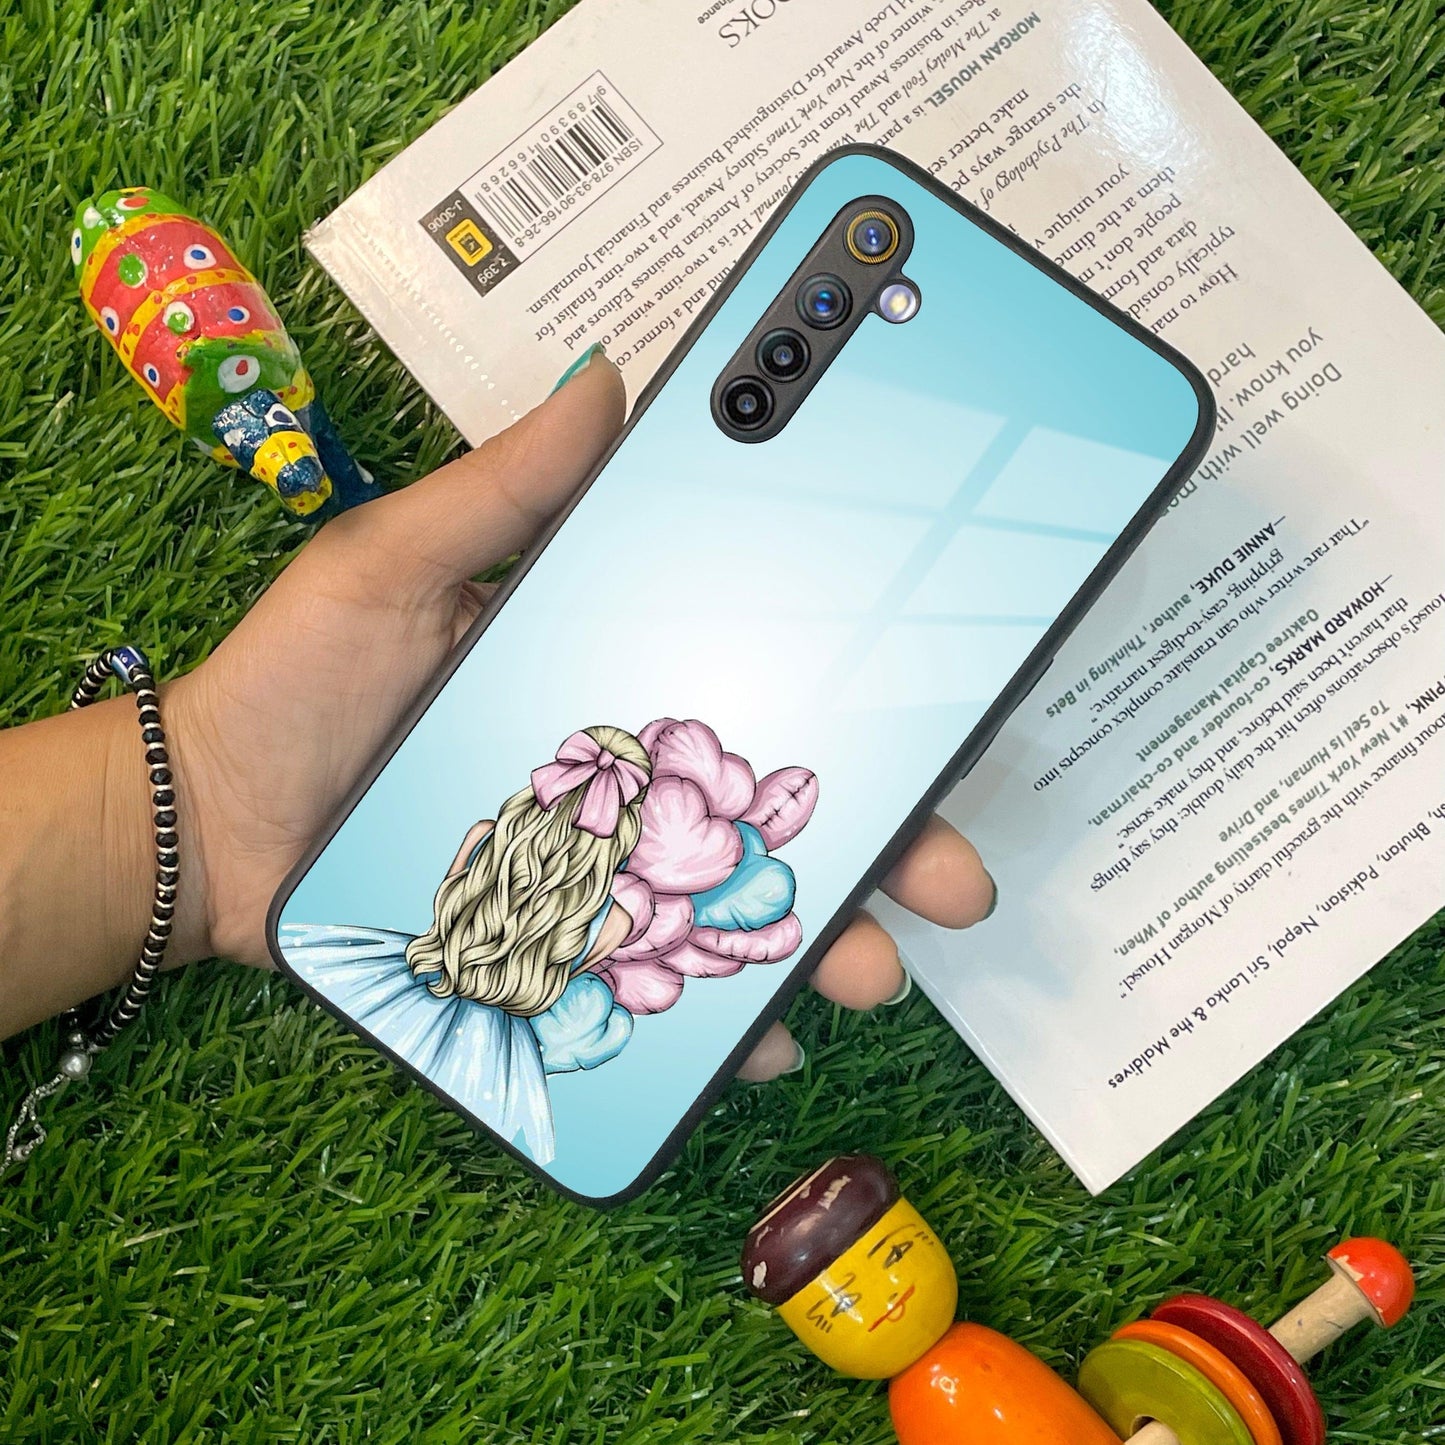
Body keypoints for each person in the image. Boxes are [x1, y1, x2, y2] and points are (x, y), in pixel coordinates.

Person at [0, 350, 995, 1091]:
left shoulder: (521, 843)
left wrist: (197, 800)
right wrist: (201, 795)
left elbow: (513, 861)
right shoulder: (607, 883)